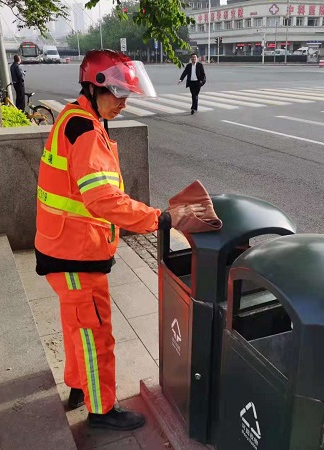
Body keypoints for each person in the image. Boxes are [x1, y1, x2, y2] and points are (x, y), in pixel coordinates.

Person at [34, 49, 205, 431]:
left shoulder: (75, 117)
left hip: (63, 247)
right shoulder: (86, 131)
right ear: (93, 88)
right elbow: (103, 200)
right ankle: (102, 410)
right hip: (74, 254)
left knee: (77, 327)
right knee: (96, 335)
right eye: (117, 92)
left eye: (127, 93)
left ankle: (78, 388)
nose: (124, 101)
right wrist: (159, 219)